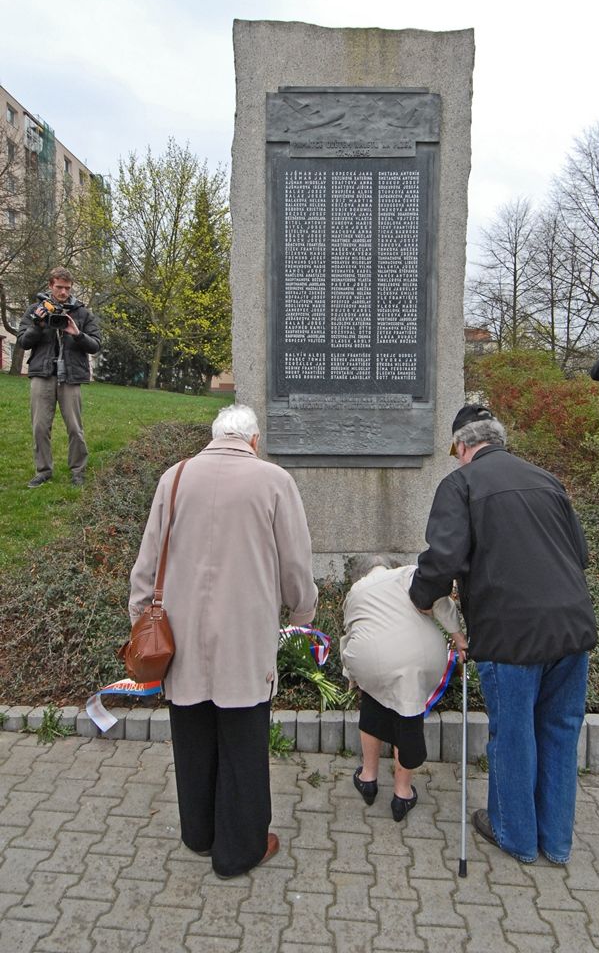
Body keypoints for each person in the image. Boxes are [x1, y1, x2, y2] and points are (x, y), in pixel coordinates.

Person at [129, 404, 318, 878]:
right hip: (245, 634)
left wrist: (139, 616)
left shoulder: (174, 477)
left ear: (214, 437)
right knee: (243, 739)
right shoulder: (274, 481)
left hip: (181, 632)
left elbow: (149, 556)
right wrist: (303, 613)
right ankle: (238, 850)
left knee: (190, 732)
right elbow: (295, 564)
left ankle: (198, 833)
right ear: (253, 441)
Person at [409, 404, 597, 865]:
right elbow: (581, 554)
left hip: (510, 634)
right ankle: (555, 843)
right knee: (558, 731)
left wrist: (422, 595)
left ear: (464, 444)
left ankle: (514, 835)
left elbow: (443, 556)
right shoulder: (546, 480)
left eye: (455, 449)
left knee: (513, 734)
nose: (455, 457)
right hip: (571, 627)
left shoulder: (461, 484)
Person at [341, 555, 464, 822]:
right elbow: (440, 602)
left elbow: (352, 633)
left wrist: (355, 675)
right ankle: (402, 792)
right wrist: (458, 637)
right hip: (422, 659)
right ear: (389, 565)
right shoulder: (408, 574)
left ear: (361, 575)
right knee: (408, 706)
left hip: (373, 661)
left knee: (373, 698)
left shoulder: (355, 592)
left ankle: (368, 778)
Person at [16, 268, 102, 488]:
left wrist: (78, 334)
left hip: (71, 376)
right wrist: (38, 325)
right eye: (59, 287)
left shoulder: (82, 313)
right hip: (42, 374)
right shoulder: (35, 310)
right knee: (40, 427)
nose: (63, 292)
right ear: (50, 286)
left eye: (67, 288)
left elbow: (96, 345)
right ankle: (43, 471)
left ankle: (78, 471)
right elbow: (23, 341)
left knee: (75, 427)